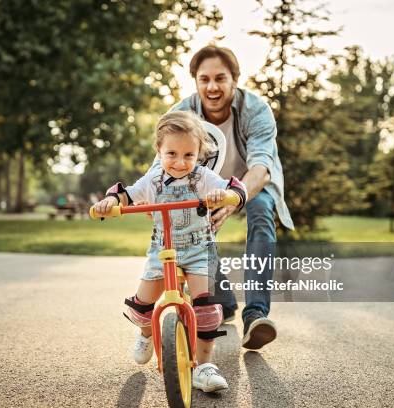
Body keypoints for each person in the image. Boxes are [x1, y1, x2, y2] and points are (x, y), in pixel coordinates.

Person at [150, 45, 295, 350]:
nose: (212, 87)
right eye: (204, 79)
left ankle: (255, 315)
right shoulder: (181, 113)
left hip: (251, 185)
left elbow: (261, 167)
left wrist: (234, 197)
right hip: (202, 186)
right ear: (196, 81)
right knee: (195, 227)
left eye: (220, 78)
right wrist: (136, 197)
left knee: (261, 212)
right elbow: (158, 167)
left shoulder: (256, 110)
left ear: (234, 79)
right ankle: (224, 301)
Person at [93, 111, 247, 392]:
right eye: (172, 153)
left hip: (199, 250)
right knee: (141, 308)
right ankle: (146, 332)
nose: (180, 162)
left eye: (189, 155)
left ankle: (204, 366)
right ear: (159, 150)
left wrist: (225, 195)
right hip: (162, 250)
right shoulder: (152, 181)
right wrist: (110, 201)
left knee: (206, 310)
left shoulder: (202, 177)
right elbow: (127, 194)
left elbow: (235, 189)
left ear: (199, 154)